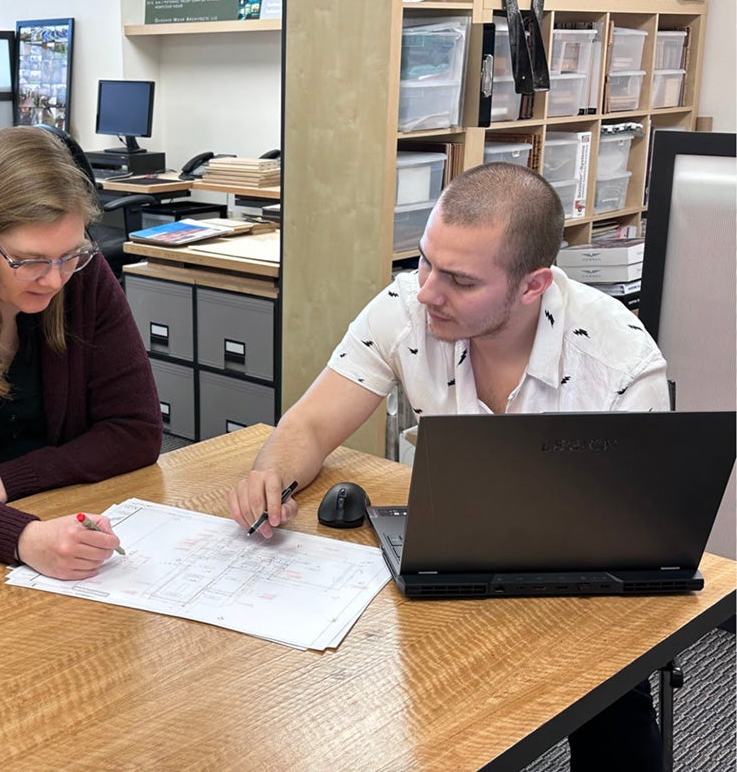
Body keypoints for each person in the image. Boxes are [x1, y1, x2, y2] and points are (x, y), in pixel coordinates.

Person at [227, 163, 667, 772]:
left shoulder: (619, 364)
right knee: (392, 707)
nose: (429, 290)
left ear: (533, 284)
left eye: (459, 280)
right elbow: (309, 424)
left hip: (575, 580)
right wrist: (270, 473)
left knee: (612, 710)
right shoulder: (410, 308)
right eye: (426, 261)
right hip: (450, 555)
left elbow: (636, 538)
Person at [0, 126, 163, 581]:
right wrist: (24, 538)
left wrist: (4, 483)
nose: (56, 280)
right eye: (30, 261)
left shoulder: (85, 272)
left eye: (70, 254)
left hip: (56, 518)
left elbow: (136, 431)